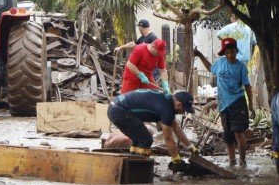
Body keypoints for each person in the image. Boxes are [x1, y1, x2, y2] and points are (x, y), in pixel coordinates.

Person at [196, 38, 254, 167]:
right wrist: (199, 55)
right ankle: (232, 162)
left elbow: (248, 86)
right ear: (224, 53)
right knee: (228, 137)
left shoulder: (241, 67)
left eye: (232, 52)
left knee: (238, 132)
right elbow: (210, 68)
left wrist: (251, 105)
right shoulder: (220, 63)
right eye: (227, 52)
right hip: (224, 106)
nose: (230, 55)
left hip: (238, 102)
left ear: (236, 51)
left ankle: (242, 161)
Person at [107, 89, 197, 171]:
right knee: (146, 139)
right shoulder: (166, 110)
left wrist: (190, 146)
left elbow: (176, 128)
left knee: (138, 139)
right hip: (119, 111)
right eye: (184, 110)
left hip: (115, 108)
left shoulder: (167, 100)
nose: (183, 112)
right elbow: (169, 139)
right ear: (179, 104)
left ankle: (131, 165)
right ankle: (138, 171)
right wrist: (176, 159)